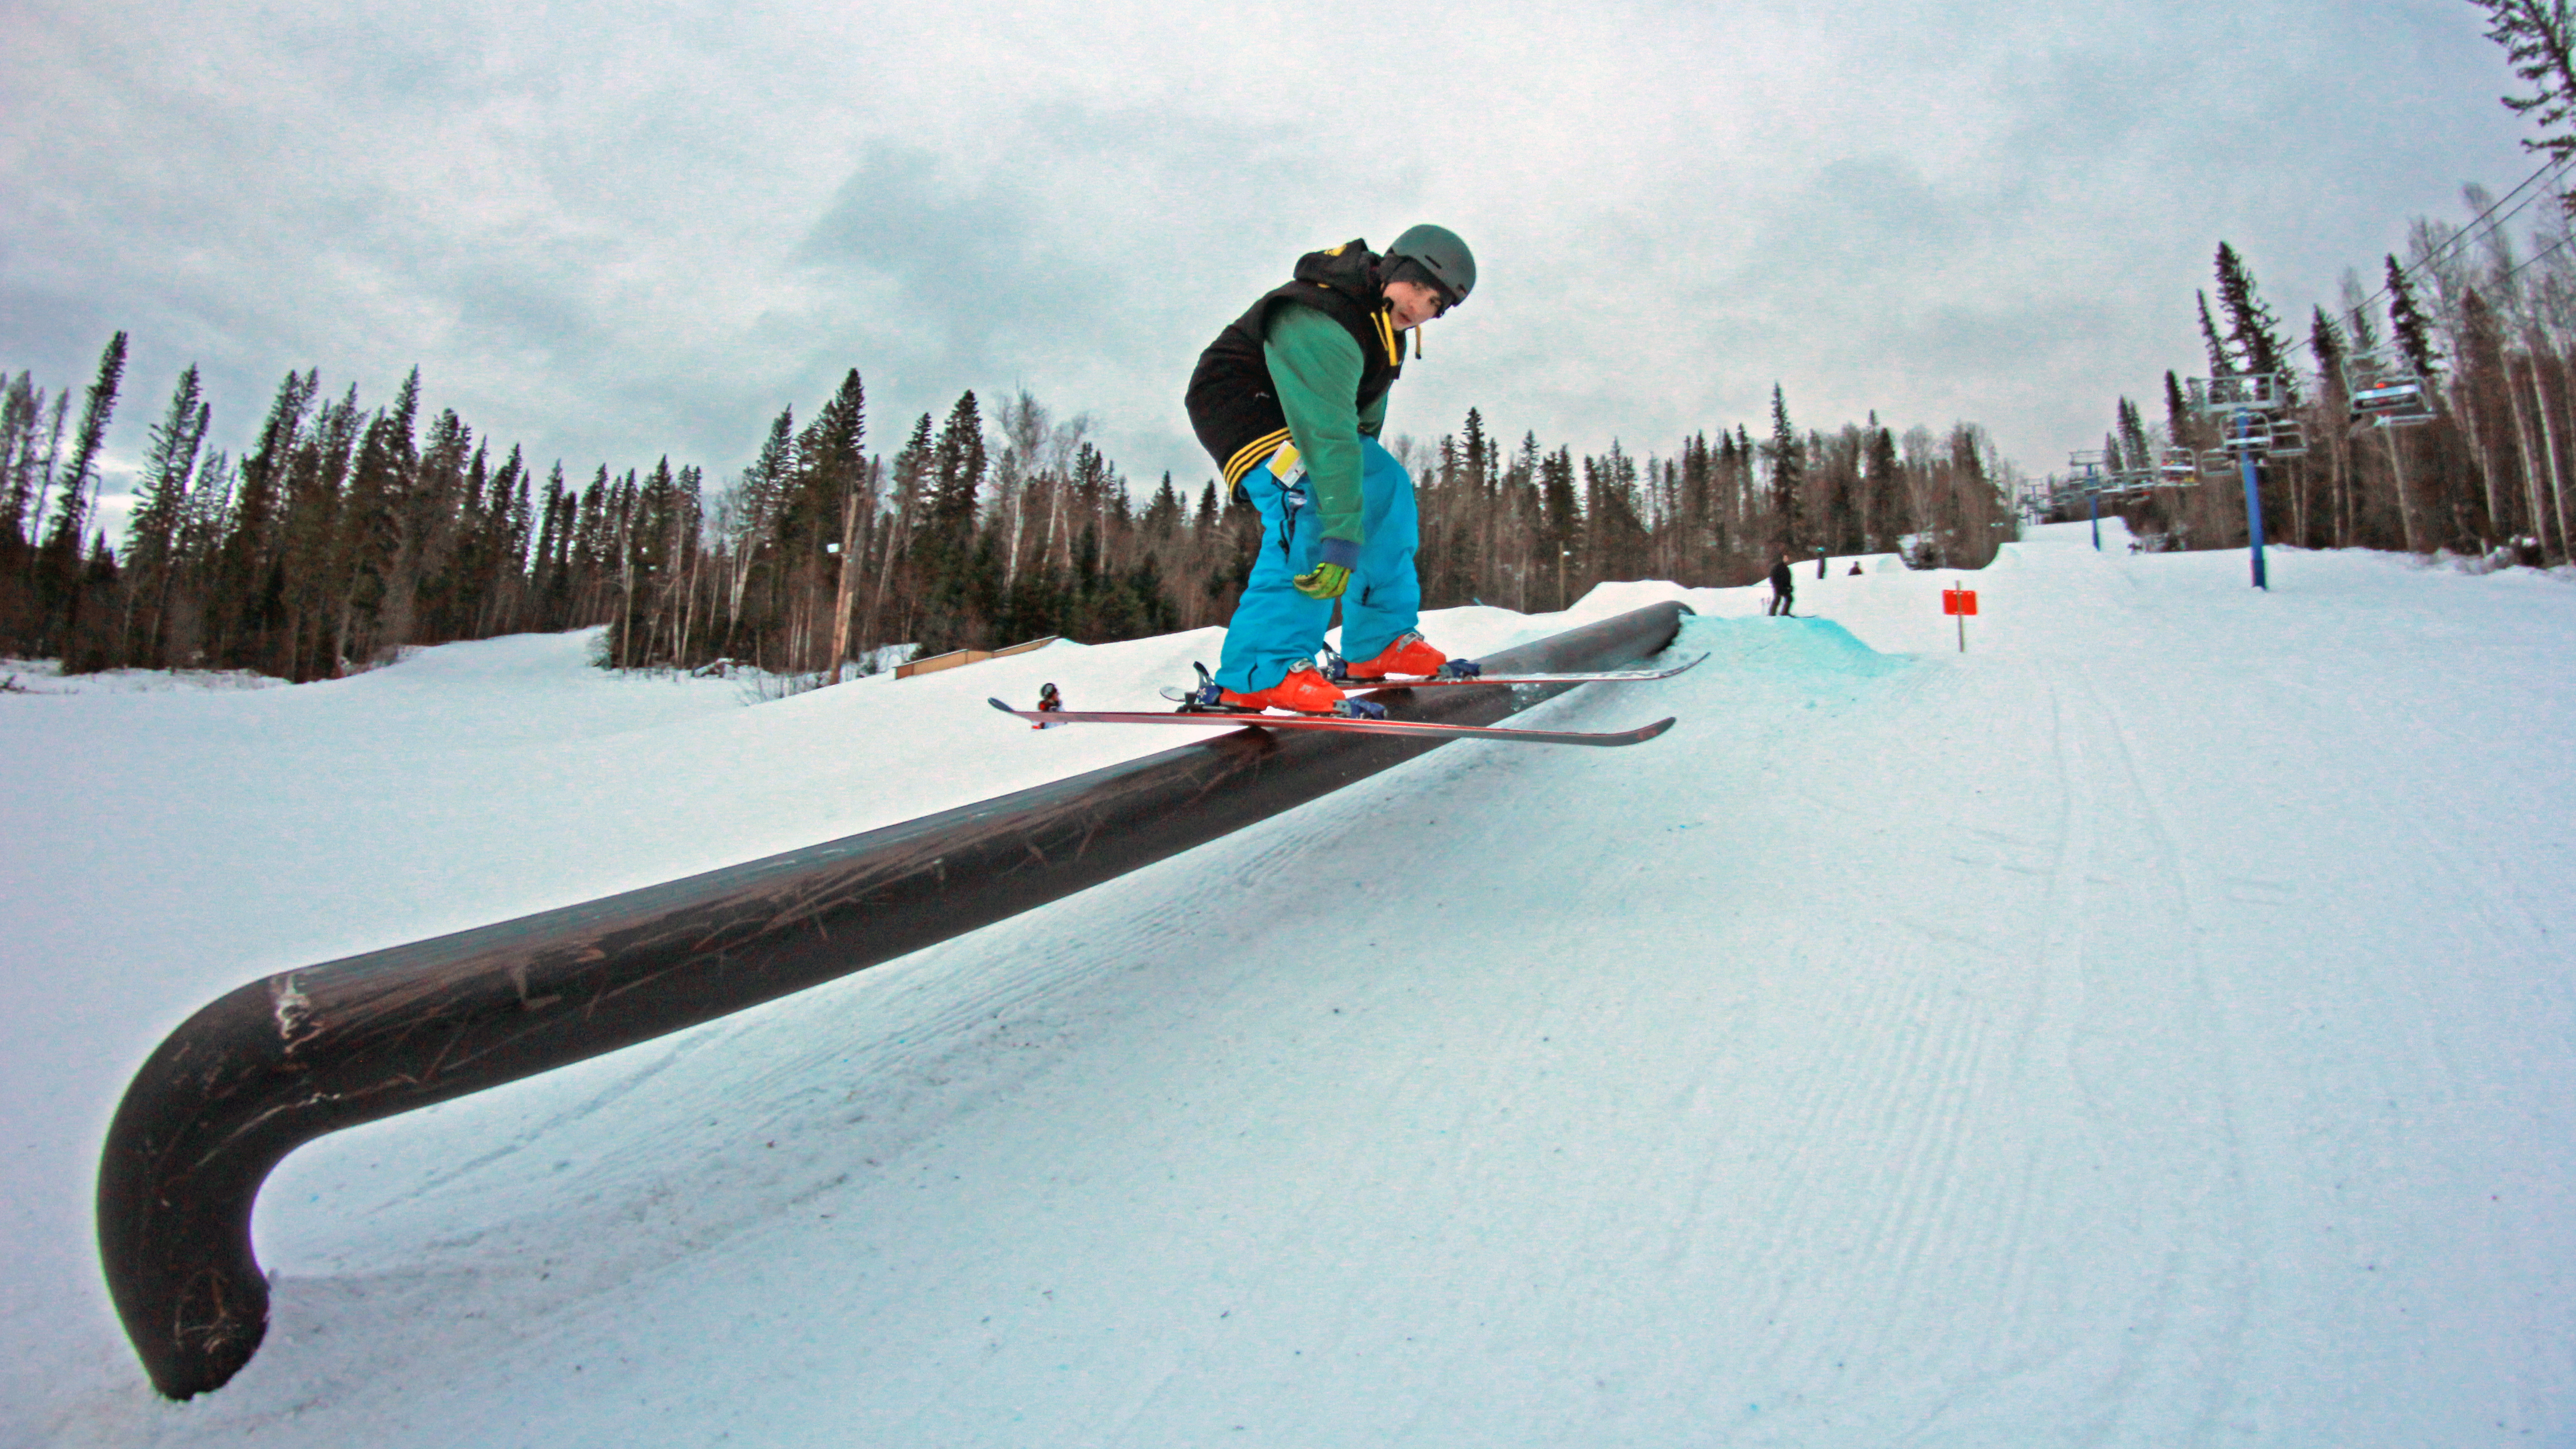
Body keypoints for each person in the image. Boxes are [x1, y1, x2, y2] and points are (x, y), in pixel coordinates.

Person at [1181, 226, 1478, 713]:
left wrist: (1361, 504)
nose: (1422, 305)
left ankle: (1378, 640)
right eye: (1419, 286)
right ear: (1395, 266)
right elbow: (1329, 437)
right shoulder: (1323, 314)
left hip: (1310, 416)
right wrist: (1343, 531)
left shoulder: (1386, 333)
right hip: (1245, 408)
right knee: (1310, 502)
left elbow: (1360, 430)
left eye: (1436, 303)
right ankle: (1261, 668)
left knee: (1387, 487)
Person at [1767, 552, 1795, 617]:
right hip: (1779, 587)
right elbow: (1773, 578)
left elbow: (1788, 578)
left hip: (1785, 588)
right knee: (1778, 599)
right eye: (1785, 558)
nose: (1787, 559)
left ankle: (1784, 613)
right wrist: (1777, 586)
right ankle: (1772, 614)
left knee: (1789, 599)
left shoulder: (1785, 567)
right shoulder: (1778, 567)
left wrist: (1789, 586)